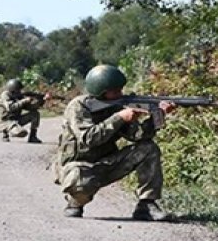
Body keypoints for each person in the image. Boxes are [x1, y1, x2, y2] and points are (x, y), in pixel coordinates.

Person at [56, 64, 176, 221]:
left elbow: (137, 136)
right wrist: (119, 118)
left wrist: (156, 117)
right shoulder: (79, 106)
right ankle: (75, 202)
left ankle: (146, 204)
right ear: (100, 91)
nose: (120, 94)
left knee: (148, 148)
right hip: (78, 165)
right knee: (82, 182)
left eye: (120, 89)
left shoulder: (118, 105)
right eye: (115, 91)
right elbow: (88, 138)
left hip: (107, 163)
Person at [0, 78, 51, 143]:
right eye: (18, 90)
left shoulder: (19, 97)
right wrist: (24, 100)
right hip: (6, 121)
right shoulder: (5, 95)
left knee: (35, 114)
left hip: (17, 119)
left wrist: (42, 100)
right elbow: (10, 108)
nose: (20, 92)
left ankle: (33, 137)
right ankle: (6, 132)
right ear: (13, 90)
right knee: (21, 132)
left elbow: (32, 107)